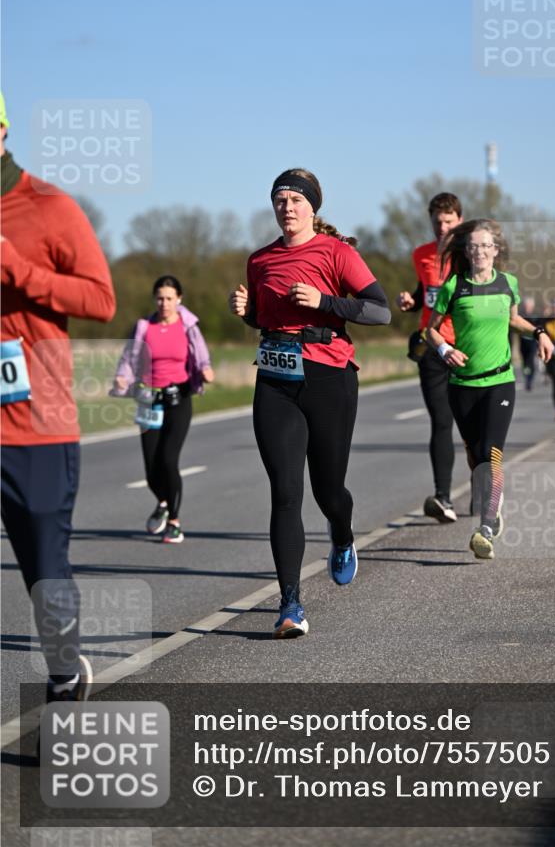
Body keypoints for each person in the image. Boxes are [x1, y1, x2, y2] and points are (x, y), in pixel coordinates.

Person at [228, 168, 390, 638]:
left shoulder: (338, 253)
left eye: (297, 200)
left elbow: (379, 310)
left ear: (313, 208)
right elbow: (266, 318)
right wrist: (248, 314)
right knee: (284, 492)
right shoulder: (259, 261)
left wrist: (324, 301)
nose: (288, 207)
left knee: (328, 490)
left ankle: (342, 533)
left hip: (328, 376)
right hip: (276, 379)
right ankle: (290, 604)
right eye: (280, 200)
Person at [1, 92, 116, 705]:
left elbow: (101, 300)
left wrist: (16, 268)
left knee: (42, 566)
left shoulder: (48, 207)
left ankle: (65, 670)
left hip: (34, 425)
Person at [426, 219, 553, 560]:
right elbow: (431, 331)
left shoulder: (508, 283)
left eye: (486, 246)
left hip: (500, 381)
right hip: (462, 385)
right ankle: (491, 502)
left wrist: (539, 332)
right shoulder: (454, 287)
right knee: (475, 454)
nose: (480, 251)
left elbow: (513, 319)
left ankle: (485, 526)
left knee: (492, 451)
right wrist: (445, 350)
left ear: (495, 251)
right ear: (466, 252)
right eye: (474, 246)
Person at [112, 276, 214, 543]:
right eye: (160, 298)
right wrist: (122, 376)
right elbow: (129, 357)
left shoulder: (187, 325)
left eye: (169, 298)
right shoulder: (145, 326)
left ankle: (174, 522)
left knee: (168, 460)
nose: (164, 303)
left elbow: (200, 352)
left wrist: (205, 369)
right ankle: (163, 502)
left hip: (178, 399)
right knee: (150, 468)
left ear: (178, 299)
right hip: (149, 400)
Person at [396, 192, 463, 523]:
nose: (442, 227)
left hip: (468, 349)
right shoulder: (421, 254)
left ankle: (486, 490)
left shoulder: (471, 254)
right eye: (437, 221)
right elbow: (427, 291)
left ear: (459, 221)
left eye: (449, 221)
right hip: (433, 347)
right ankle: (443, 497)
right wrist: (411, 299)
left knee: (474, 427)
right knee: (441, 421)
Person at [517, 295, 539, 391]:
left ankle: (530, 380)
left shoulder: (536, 315)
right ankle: (526, 378)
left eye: (529, 305)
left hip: (533, 343)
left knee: (530, 361)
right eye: (526, 305)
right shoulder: (521, 315)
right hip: (523, 342)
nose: (528, 307)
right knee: (525, 362)